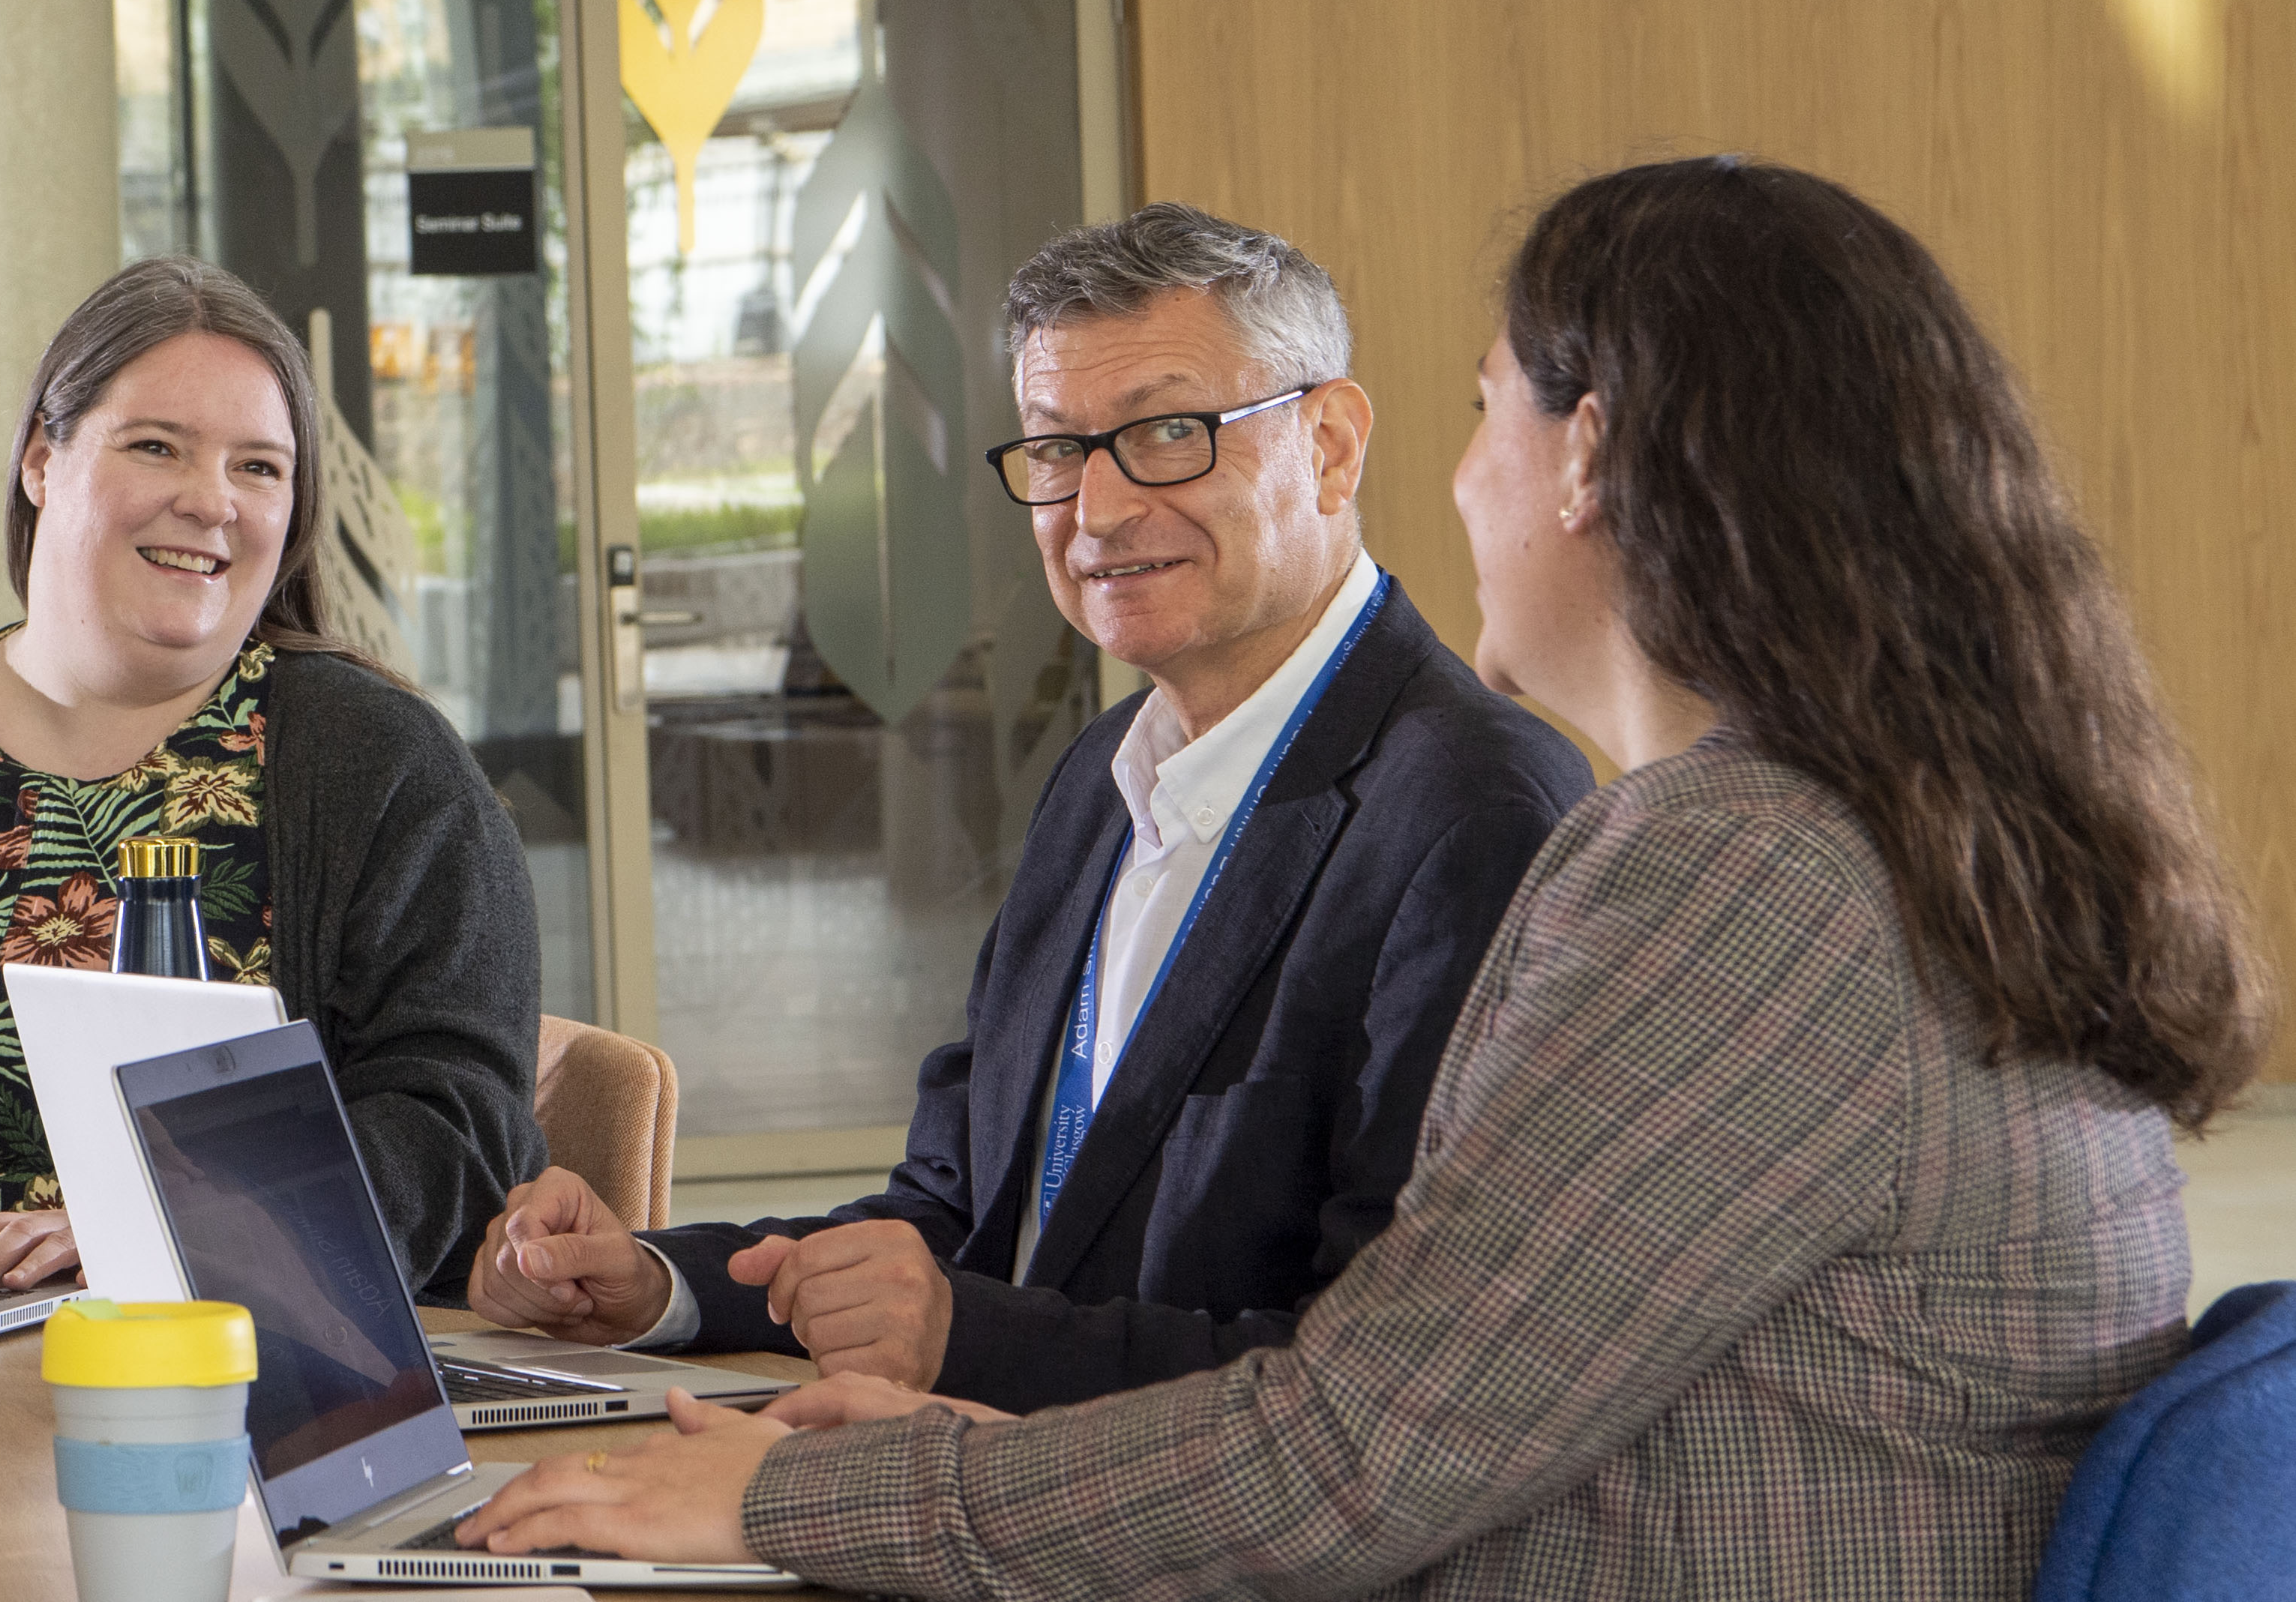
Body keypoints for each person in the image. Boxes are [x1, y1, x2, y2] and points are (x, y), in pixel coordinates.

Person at [466, 157, 2276, 1595]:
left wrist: (819, 1493)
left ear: (1590, 455)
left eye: (1487, 407)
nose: (1463, 474)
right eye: (1058, 454)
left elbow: (1354, 1448)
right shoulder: (1846, 832)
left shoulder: (1742, 874)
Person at [469, 205, 1590, 1410]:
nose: (1098, 511)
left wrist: (964, 1339)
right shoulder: (1105, 776)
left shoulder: (1478, 811)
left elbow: (1389, 1378)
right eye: (1058, 449)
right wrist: (654, 1285)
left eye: (1168, 432)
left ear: (1328, 443)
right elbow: (955, 1210)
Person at [0, 257, 546, 1303]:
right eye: (156, 446)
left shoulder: (386, 769)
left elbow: (456, 1125)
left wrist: (160, 1227)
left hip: (218, 1358)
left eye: (260, 468)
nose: (211, 501)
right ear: (42, 459)